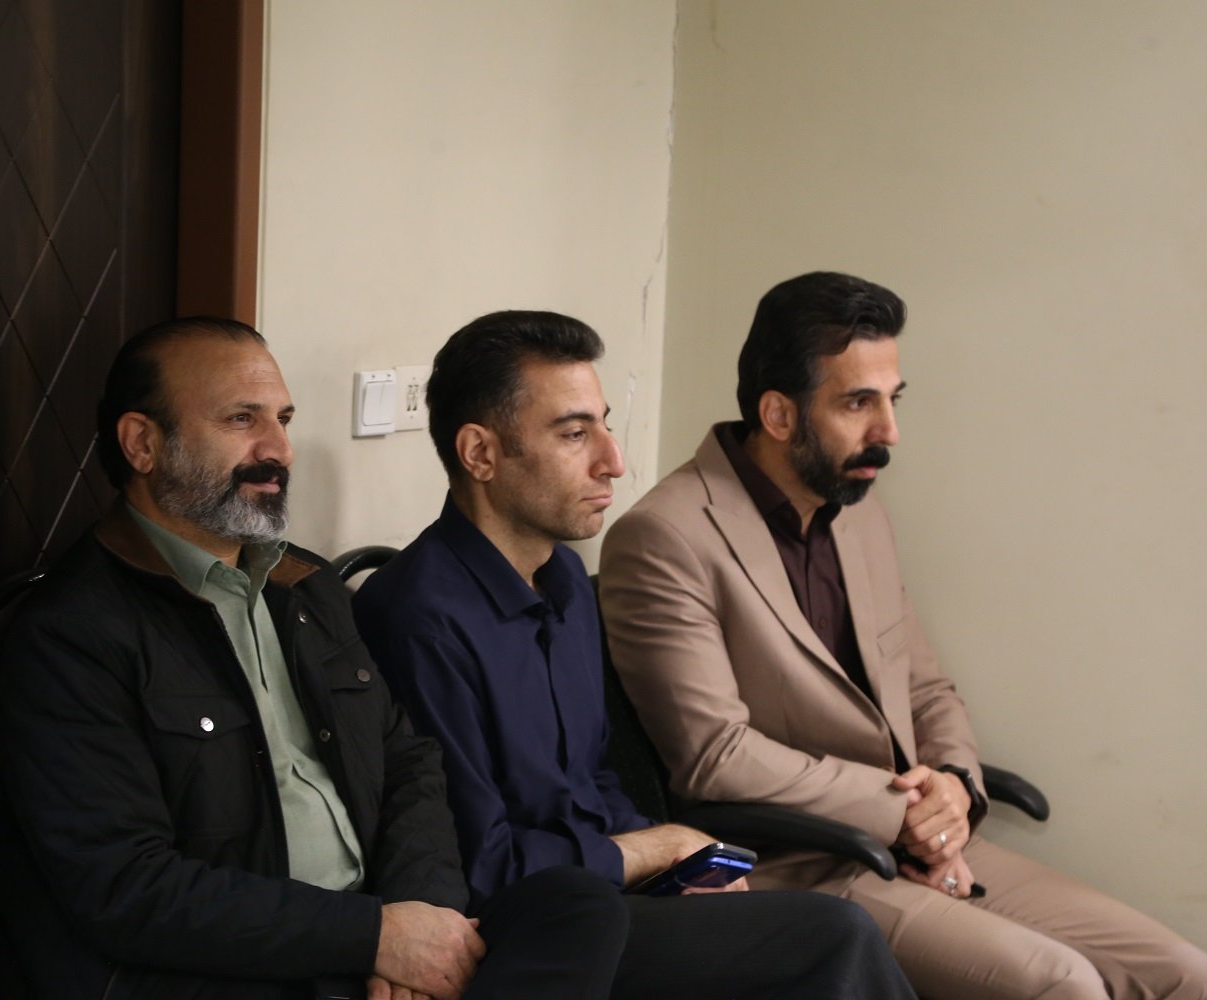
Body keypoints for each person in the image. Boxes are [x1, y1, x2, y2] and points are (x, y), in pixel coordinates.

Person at [597, 271, 1207, 1000]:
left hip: (920, 839)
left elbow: (923, 687)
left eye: (892, 400)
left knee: (1187, 977)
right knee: (1066, 987)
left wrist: (954, 787)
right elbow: (717, 755)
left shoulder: (857, 509)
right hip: (797, 862)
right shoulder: (664, 536)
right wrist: (901, 812)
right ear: (778, 414)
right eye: (857, 403)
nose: (888, 432)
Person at [0, 317, 632, 1000]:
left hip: (373, 935)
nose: (280, 450)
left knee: (577, 911)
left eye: (284, 419)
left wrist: (422, 915)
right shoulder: (72, 636)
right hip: (233, 969)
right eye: (242, 419)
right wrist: (374, 938)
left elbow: (408, 765)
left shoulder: (306, 588)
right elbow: (129, 888)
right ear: (142, 443)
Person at [352, 310, 915, 1000]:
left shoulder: (564, 578)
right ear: (480, 454)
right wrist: (653, 849)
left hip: (612, 892)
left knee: (816, 934)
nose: (613, 461)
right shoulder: (417, 617)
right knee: (834, 935)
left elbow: (594, 781)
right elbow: (479, 865)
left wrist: (676, 867)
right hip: (533, 929)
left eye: (604, 425)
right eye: (574, 434)